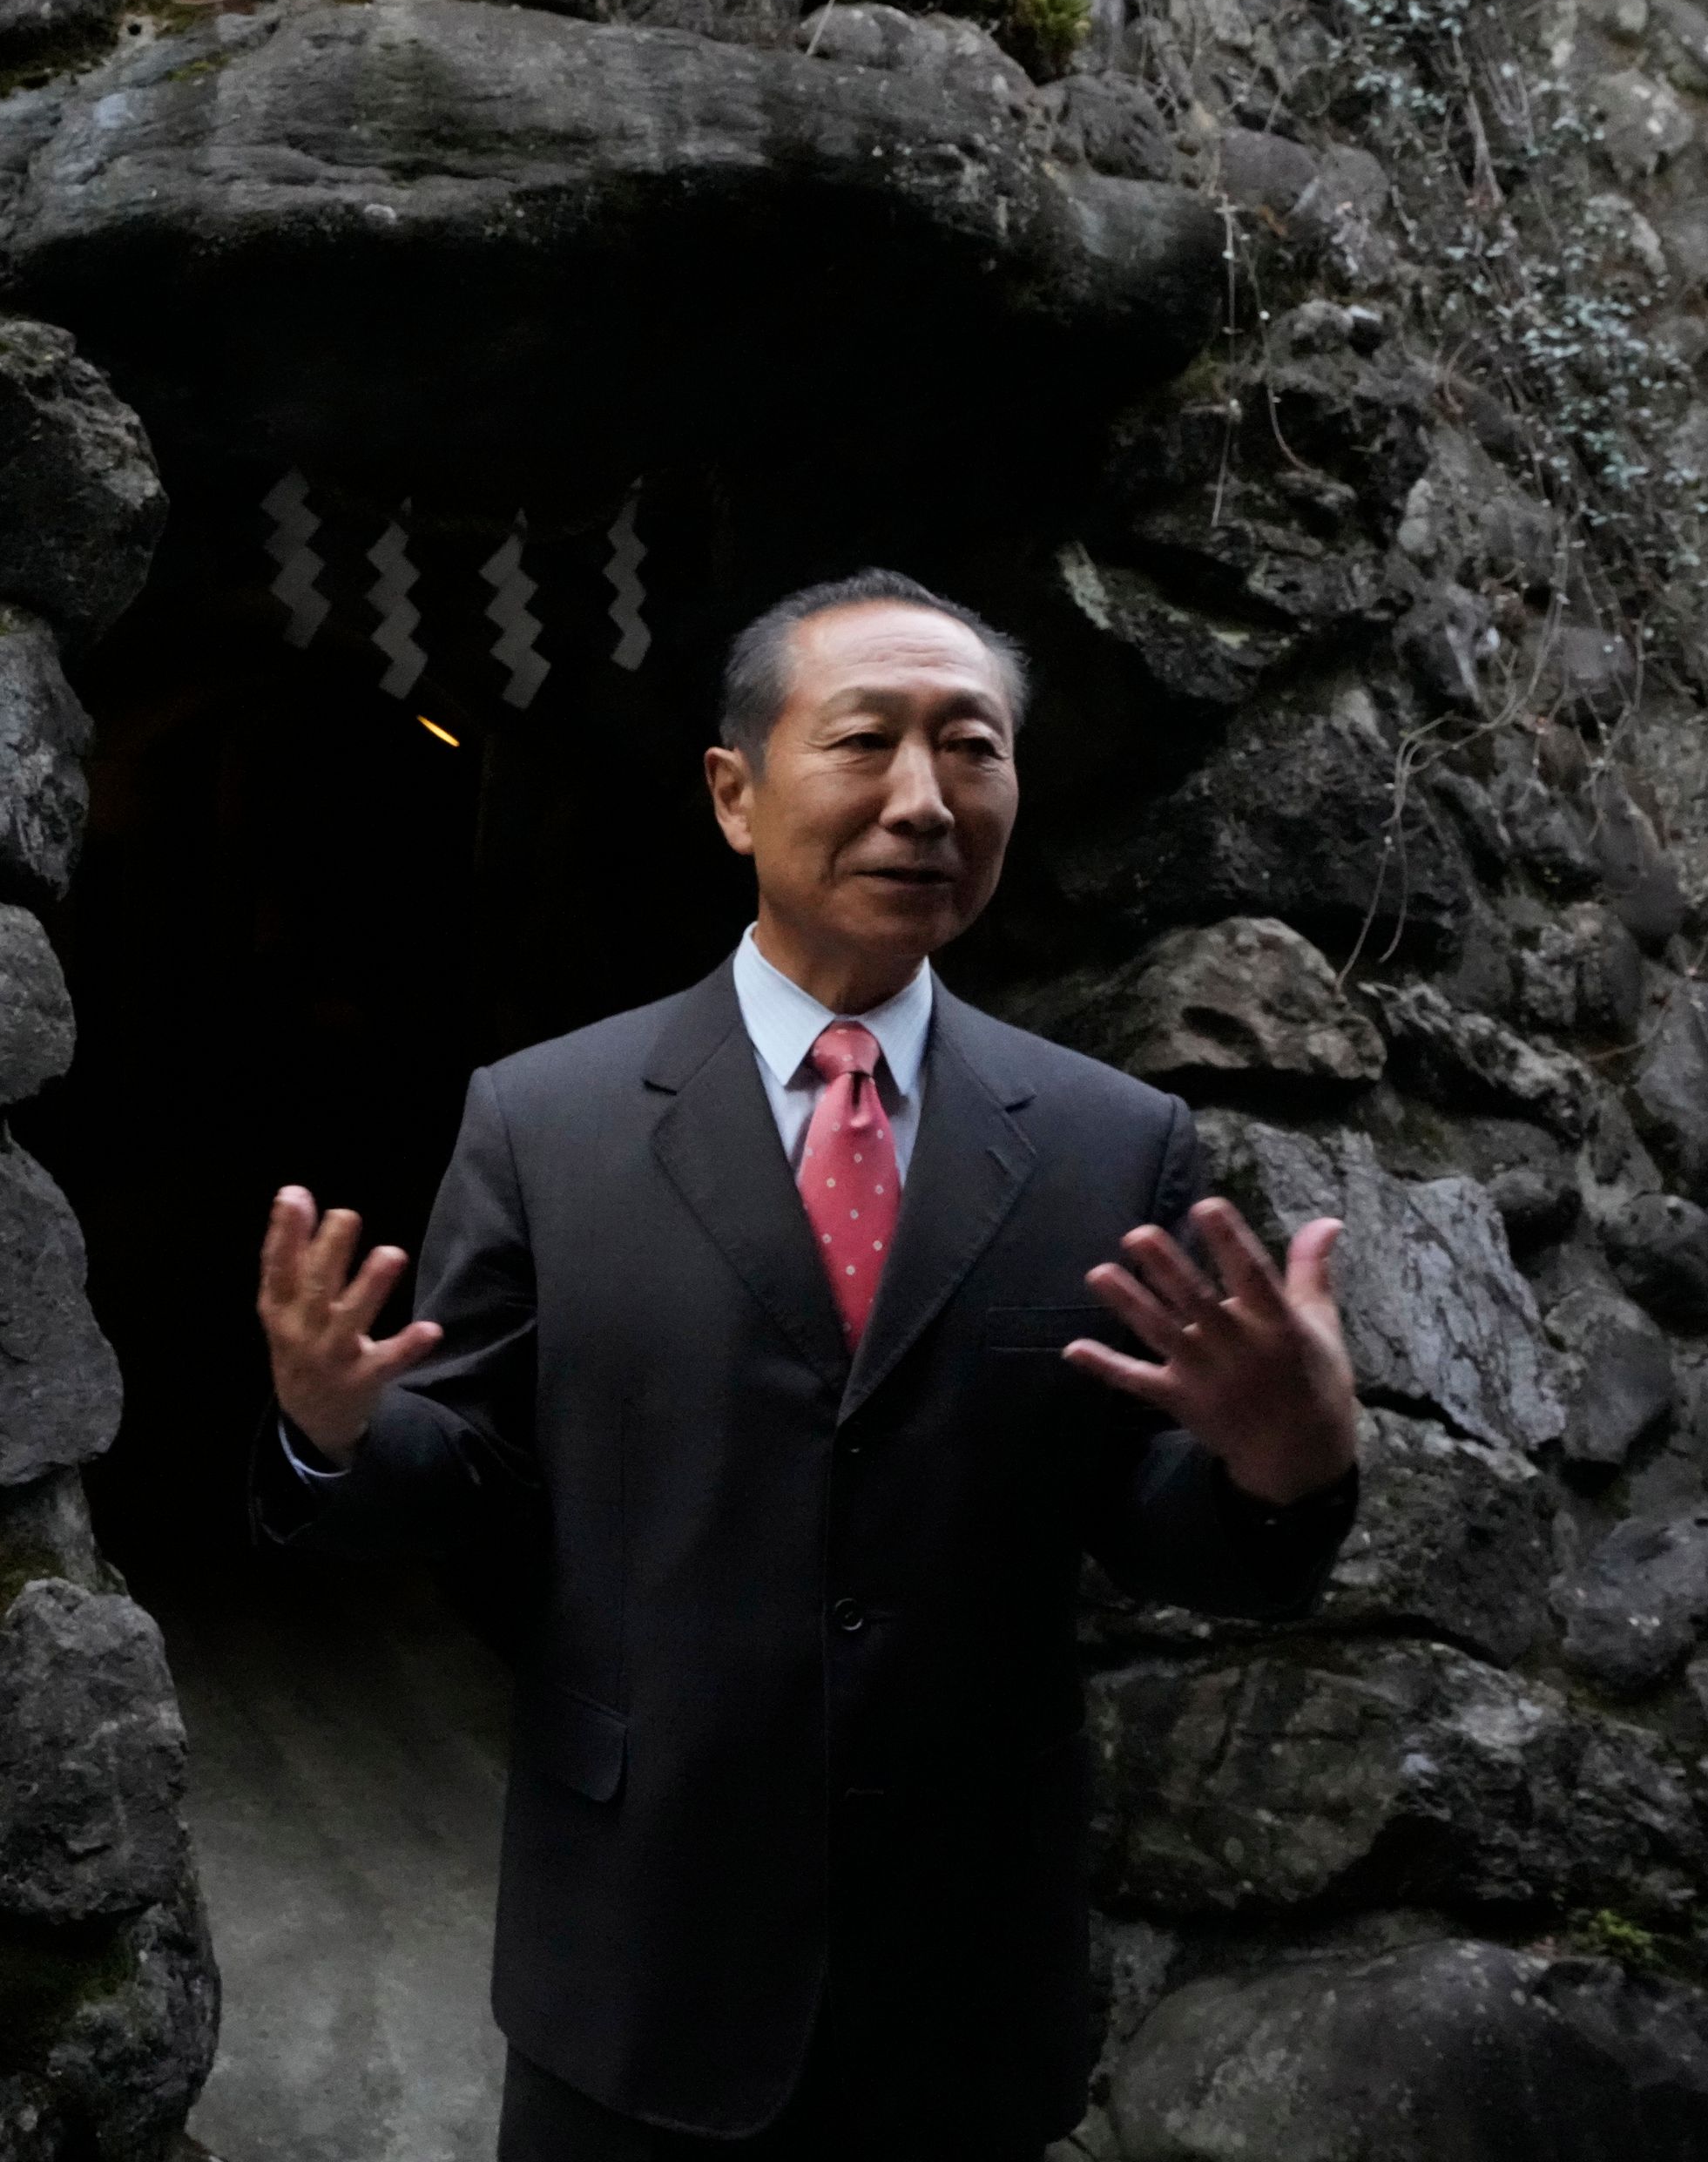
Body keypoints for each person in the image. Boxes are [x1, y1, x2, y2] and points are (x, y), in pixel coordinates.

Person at [248, 571, 1363, 2160]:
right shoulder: (549, 1120)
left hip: (962, 1987)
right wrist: (336, 1437)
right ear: (733, 793)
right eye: (868, 743)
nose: (924, 799)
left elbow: (1162, 1517)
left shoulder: (1111, 1142)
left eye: (971, 749)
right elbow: (471, 1476)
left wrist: (1283, 1462)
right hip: (635, 1961)